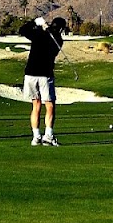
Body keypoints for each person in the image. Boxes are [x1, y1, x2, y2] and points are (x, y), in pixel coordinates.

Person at [20, 15, 68, 146]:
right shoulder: (58, 39)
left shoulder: (40, 34)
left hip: (30, 73)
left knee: (36, 106)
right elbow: (23, 31)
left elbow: (23, 30)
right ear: (61, 28)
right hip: (45, 75)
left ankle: (36, 137)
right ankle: (48, 136)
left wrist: (35, 23)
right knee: (50, 105)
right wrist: (40, 27)